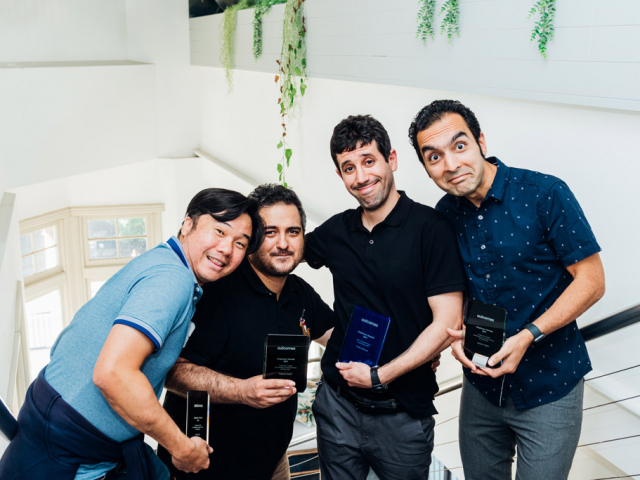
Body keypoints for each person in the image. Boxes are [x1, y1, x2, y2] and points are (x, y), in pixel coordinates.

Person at [0, 188, 263, 480]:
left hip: (72, 429)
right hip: (67, 451)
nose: (227, 249)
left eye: (240, 243)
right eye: (219, 231)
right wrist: (182, 448)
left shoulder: (164, 262)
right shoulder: (172, 280)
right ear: (187, 224)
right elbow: (113, 374)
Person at [409, 99, 606, 480]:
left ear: (481, 141)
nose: (450, 165)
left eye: (459, 146)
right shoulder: (444, 214)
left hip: (551, 386)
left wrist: (529, 335)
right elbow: (455, 290)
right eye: (434, 157)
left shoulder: (545, 193)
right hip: (482, 388)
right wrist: (453, 336)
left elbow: (592, 281)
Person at [304, 115, 467, 480]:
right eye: (349, 168)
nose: (361, 177)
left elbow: (448, 323)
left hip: (403, 415)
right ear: (340, 175)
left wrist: (380, 376)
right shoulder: (336, 231)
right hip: (338, 408)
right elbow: (280, 253)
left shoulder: (431, 229)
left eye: (368, 161)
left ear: (391, 159)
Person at [159, 184, 335, 480]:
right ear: (252, 238)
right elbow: (173, 373)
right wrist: (241, 391)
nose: (283, 243)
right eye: (270, 232)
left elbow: (339, 337)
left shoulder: (300, 294)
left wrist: (410, 356)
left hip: (274, 462)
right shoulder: (217, 292)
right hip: (209, 468)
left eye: (293, 231)